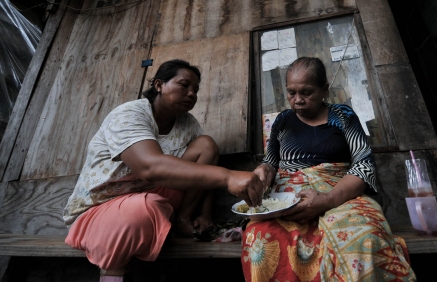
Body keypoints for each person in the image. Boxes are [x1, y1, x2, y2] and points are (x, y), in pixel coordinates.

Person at [63, 59, 263, 281]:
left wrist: (205, 214)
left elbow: (204, 170)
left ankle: (182, 221)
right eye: (184, 85)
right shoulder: (129, 114)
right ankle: (111, 274)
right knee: (142, 208)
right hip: (101, 207)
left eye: (195, 90)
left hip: (154, 198)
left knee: (206, 145)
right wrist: (228, 176)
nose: (191, 94)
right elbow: (150, 166)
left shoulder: (188, 123)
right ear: (159, 85)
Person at [242, 57, 416, 281]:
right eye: (291, 92)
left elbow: (364, 165)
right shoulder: (283, 121)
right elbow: (271, 162)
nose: (297, 100)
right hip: (288, 200)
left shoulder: (343, 116)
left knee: (366, 236)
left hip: (343, 196)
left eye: (306, 92)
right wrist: (263, 171)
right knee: (259, 237)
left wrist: (328, 199)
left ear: (324, 89)